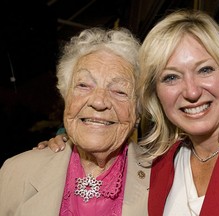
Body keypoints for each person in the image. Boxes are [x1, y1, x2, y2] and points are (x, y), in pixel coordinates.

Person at [41, 9, 219, 216]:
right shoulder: (160, 166)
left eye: (204, 70)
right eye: (171, 77)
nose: (191, 91)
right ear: (155, 95)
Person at [0, 27, 151, 216]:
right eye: (84, 85)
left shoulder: (167, 179)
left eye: (119, 91)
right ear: (66, 97)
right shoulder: (16, 173)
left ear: (138, 112)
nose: (98, 101)